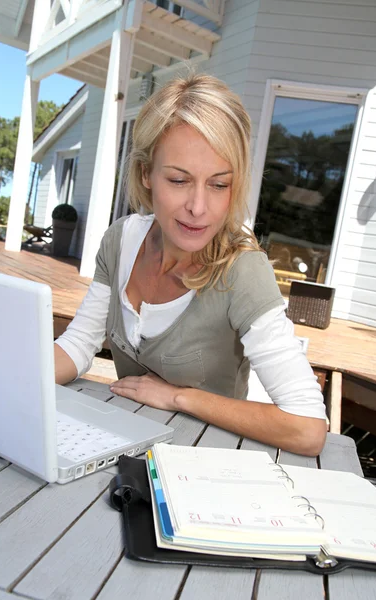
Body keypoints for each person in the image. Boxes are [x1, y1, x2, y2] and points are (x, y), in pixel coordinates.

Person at [54, 73, 327, 456]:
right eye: (180, 180)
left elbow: (307, 429)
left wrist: (180, 397)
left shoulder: (242, 272)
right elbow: (79, 345)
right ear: (146, 173)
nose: (199, 208)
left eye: (219, 184)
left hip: (206, 469)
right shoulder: (121, 241)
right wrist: (10, 378)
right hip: (122, 450)